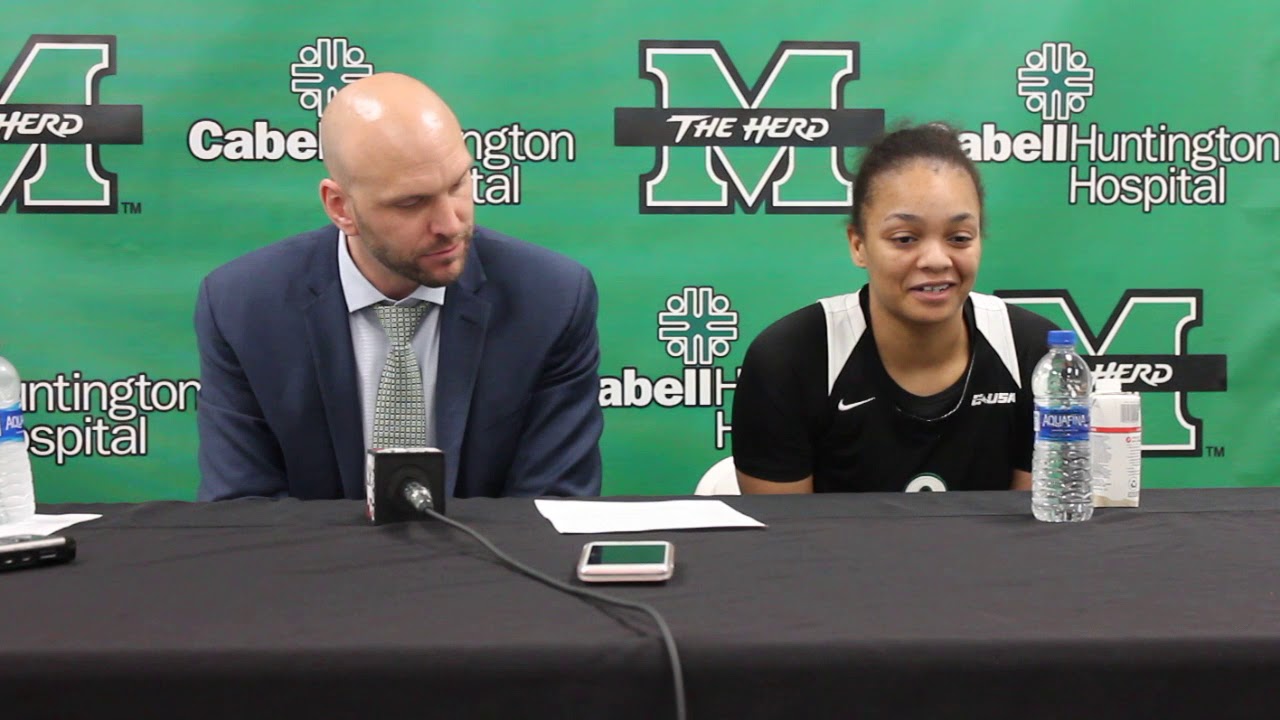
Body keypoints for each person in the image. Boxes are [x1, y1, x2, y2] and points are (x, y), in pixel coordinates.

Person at [194, 73, 603, 501]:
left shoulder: (551, 300)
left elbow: (551, 508)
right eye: (411, 203)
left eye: (459, 184)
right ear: (341, 207)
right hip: (312, 565)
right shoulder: (243, 308)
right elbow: (241, 512)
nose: (450, 225)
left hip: (485, 567)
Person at [731, 122, 1057, 494]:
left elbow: (1040, 535)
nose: (936, 260)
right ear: (858, 244)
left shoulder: (1034, 352)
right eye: (905, 239)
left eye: (959, 238)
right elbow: (783, 542)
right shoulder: (788, 359)